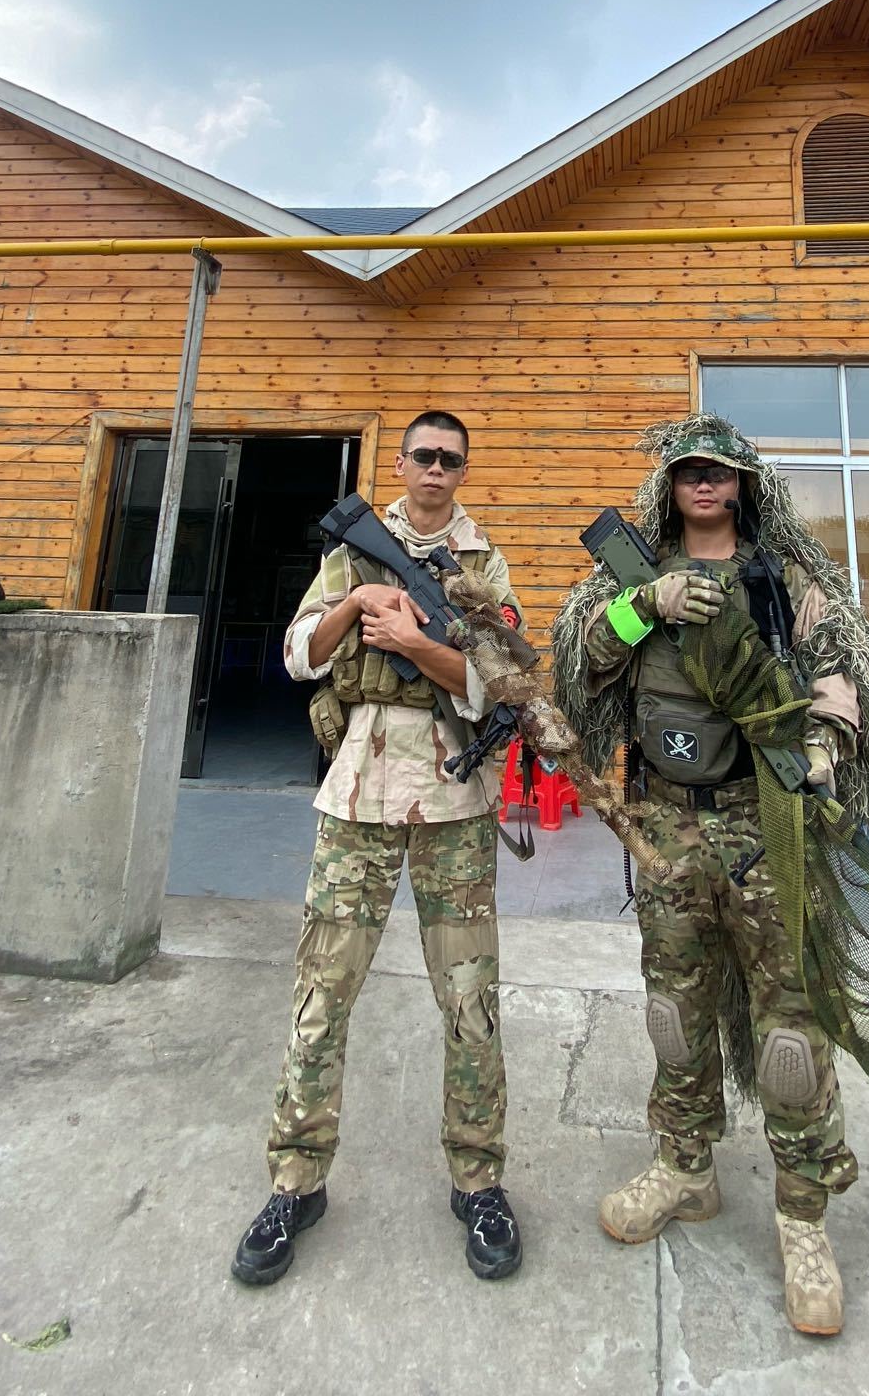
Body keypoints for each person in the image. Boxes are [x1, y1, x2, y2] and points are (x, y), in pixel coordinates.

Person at [551, 414, 869, 1338]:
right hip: (668, 824)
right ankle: (685, 1167)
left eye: (718, 472)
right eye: (688, 473)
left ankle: (803, 1215)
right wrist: (649, 605)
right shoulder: (635, 574)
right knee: (674, 1010)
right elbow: (586, 660)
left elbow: (841, 672)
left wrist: (823, 748)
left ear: (743, 485)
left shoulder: (783, 578)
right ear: (669, 487)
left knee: (789, 1027)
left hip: (763, 823)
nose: (703, 485)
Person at [230, 412, 525, 1288]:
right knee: (321, 994)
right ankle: (295, 1181)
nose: (435, 469)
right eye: (422, 455)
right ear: (400, 463)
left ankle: (479, 1181)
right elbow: (298, 654)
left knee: (470, 1002)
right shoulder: (352, 553)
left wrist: (417, 644)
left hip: (452, 800)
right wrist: (357, 605)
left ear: (463, 471)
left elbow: (500, 682)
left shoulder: (483, 564)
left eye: (450, 460)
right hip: (358, 791)